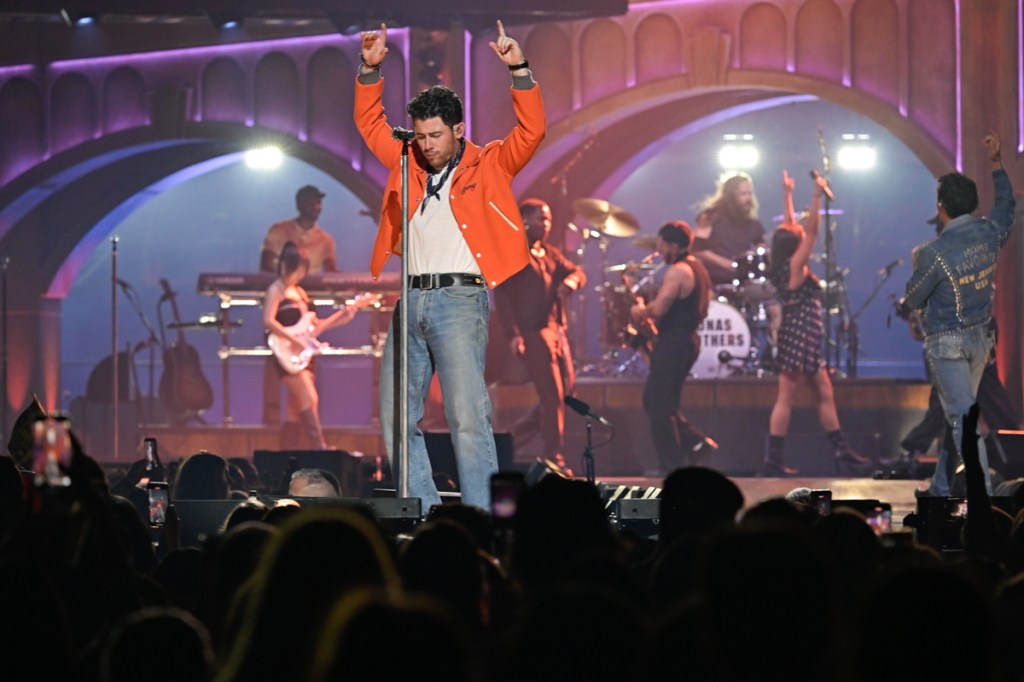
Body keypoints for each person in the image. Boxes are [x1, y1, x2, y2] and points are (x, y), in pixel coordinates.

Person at [355, 21, 544, 510]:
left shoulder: (491, 163)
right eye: (420, 135)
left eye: (436, 135)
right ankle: (422, 511)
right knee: (396, 416)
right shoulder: (406, 161)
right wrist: (370, 71)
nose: (427, 144)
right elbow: (370, 123)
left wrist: (519, 70)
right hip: (410, 297)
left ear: (459, 130)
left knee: (467, 417)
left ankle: (483, 516)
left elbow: (532, 131)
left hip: (460, 298)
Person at [901, 133, 1014, 497]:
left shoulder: (934, 252)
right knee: (957, 414)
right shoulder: (989, 233)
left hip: (949, 344)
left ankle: (984, 498)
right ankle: (940, 489)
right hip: (982, 340)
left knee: (963, 421)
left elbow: (914, 297)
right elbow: (1007, 205)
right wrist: (997, 164)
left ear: (942, 207)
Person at [761, 171, 870, 476]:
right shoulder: (795, 266)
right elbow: (810, 232)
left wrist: (787, 195)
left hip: (803, 331)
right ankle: (773, 460)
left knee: (823, 391)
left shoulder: (784, 261)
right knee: (787, 396)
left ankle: (841, 451)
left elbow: (792, 228)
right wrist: (815, 194)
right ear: (793, 246)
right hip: (799, 331)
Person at [495, 198, 585, 471]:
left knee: (563, 393)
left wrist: (571, 282)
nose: (547, 224)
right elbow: (503, 297)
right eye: (541, 219)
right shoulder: (512, 253)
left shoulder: (549, 253)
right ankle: (554, 457)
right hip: (533, 333)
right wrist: (514, 334)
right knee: (552, 394)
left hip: (556, 331)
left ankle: (507, 441)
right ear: (524, 221)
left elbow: (577, 272)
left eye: (548, 219)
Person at [630, 221, 717, 475]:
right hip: (688, 340)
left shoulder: (678, 271)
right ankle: (696, 444)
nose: (660, 252)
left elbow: (659, 308)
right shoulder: (699, 269)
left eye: (662, 247)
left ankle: (672, 465)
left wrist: (639, 310)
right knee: (663, 402)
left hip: (675, 341)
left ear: (673, 246)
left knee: (657, 402)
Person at [263, 242, 356, 450]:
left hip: (303, 353)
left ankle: (286, 454)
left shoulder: (300, 292)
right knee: (308, 398)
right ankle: (319, 447)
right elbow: (268, 320)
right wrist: (293, 340)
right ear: (286, 267)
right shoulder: (276, 290)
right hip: (286, 352)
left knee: (294, 408)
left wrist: (341, 318)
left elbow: (313, 328)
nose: (299, 276)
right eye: (297, 271)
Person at [259, 185, 338, 430]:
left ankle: (296, 428)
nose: (317, 207)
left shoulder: (325, 239)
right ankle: (272, 423)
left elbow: (332, 273)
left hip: (303, 302)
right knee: (277, 362)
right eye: (312, 202)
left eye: (319, 203)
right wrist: (283, 281)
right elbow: (264, 266)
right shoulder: (279, 231)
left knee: (303, 372)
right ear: (301, 204)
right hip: (284, 305)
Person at [693, 173, 766, 285]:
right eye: (743, 194)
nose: (748, 198)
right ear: (731, 195)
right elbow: (698, 249)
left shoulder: (752, 222)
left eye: (750, 193)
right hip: (716, 281)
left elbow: (760, 245)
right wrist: (730, 265)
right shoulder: (711, 216)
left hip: (744, 282)